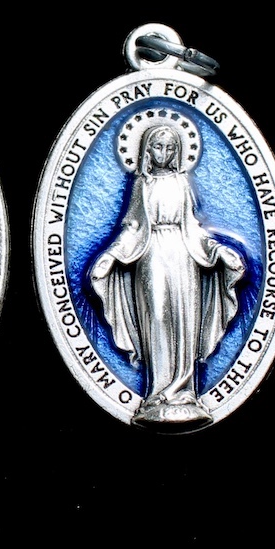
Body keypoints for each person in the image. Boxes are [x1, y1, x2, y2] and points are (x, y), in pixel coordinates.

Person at [90, 115, 245, 428]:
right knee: (158, 316)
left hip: (184, 255)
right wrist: (113, 255)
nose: (163, 153)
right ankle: (157, 392)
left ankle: (185, 392)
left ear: (177, 152)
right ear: (147, 150)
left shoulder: (182, 183)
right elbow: (133, 227)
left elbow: (193, 227)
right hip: (152, 254)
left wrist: (217, 250)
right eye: (158, 147)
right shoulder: (142, 184)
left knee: (183, 319)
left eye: (170, 148)